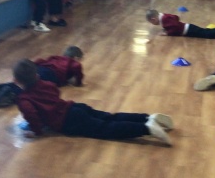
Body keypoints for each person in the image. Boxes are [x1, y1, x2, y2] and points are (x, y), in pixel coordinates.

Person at [13, 59, 173, 145]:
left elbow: (32, 114)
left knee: (106, 128)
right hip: (74, 107)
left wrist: (36, 131)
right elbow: (55, 91)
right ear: (36, 74)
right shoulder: (46, 83)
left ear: (17, 81)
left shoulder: (24, 99)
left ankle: (146, 128)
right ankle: (147, 117)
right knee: (110, 117)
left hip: (68, 122)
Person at [0, 46, 85, 108]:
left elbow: (40, 61)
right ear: (75, 57)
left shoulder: (56, 58)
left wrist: (32, 68)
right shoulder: (74, 63)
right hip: (51, 75)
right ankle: (8, 93)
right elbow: (77, 68)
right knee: (30, 88)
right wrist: (78, 82)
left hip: (39, 69)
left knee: (22, 81)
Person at [146, 9, 215, 38]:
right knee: (206, 32)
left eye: (152, 22)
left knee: (207, 34)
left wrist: (167, 33)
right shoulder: (163, 15)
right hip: (189, 27)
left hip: (188, 30)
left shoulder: (164, 19)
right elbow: (176, 17)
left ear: (153, 19)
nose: (153, 24)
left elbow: (175, 26)